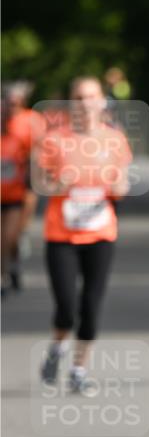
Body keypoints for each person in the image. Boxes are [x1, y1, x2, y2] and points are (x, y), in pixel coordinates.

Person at [36, 76, 131, 393]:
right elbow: (40, 184)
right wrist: (58, 185)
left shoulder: (115, 140)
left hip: (100, 233)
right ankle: (57, 347)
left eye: (91, 96)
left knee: (90, 306)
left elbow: (122, 183)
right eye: (79, 97)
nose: (86, 103)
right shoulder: (54, 140)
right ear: (70, 103)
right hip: (62, 235)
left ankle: (78, 370)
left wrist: (118, 188)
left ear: (101, 101)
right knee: (66, 306)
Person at [2, 82, 46, 292]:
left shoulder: (32, 120)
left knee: (13, 234)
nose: (11, 106)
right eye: (7, 102)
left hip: (20, 189)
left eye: (14, 103)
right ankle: (5, 271)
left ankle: (13, 263)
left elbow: (38, 152)